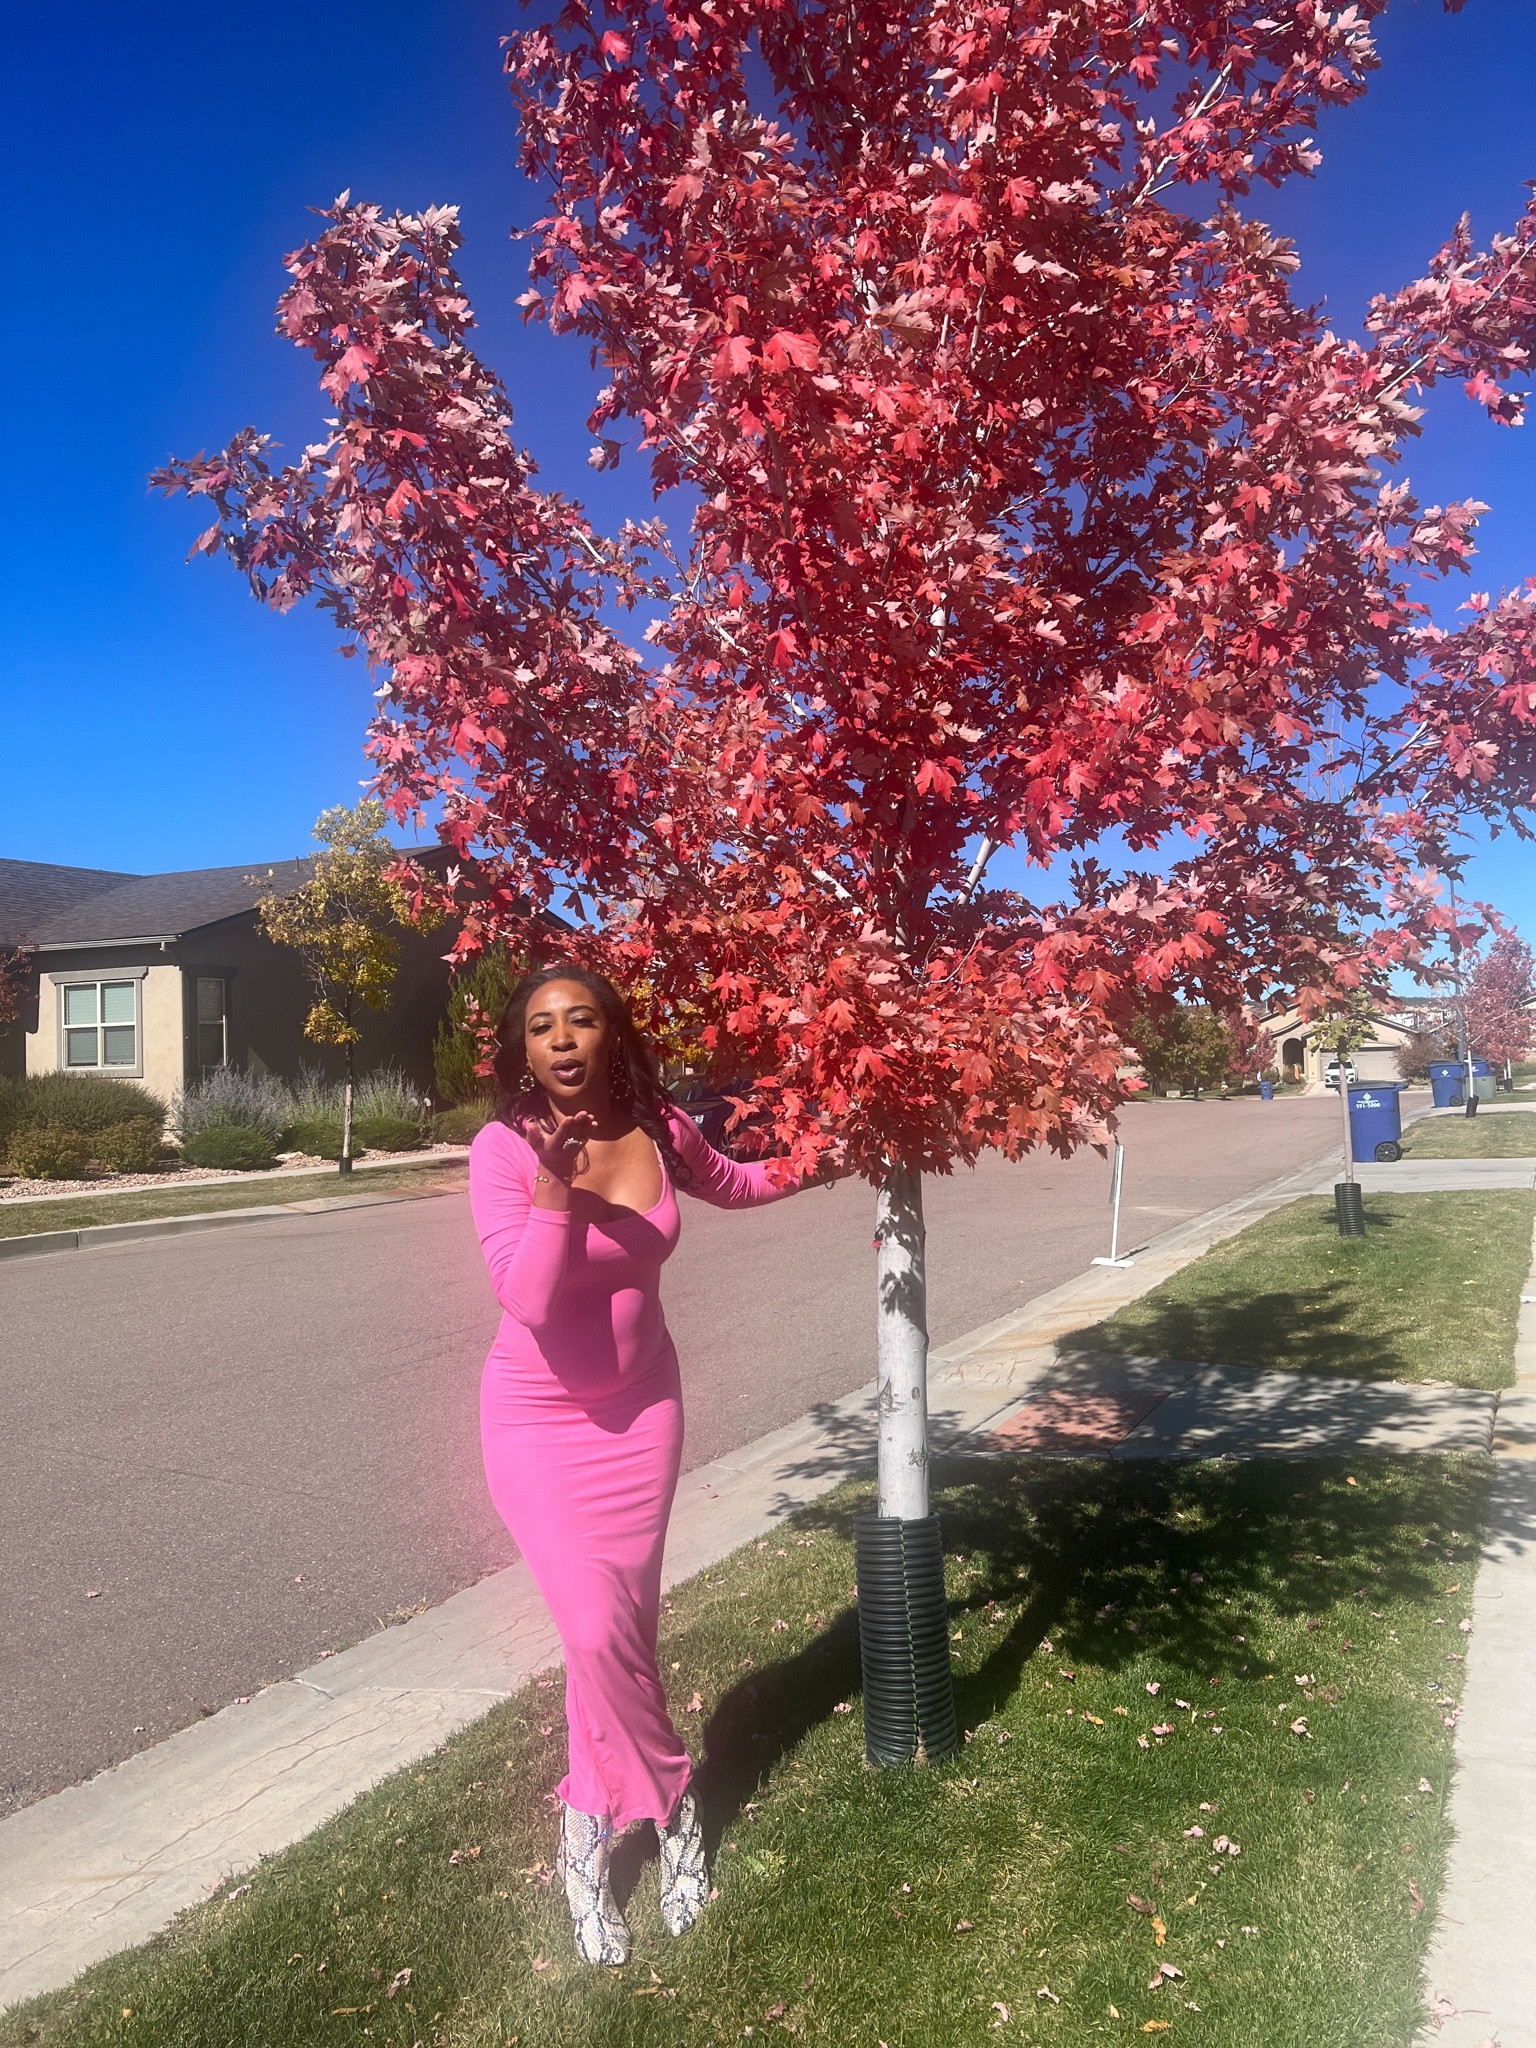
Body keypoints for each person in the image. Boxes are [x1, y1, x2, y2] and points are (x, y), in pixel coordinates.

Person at [468, 962, 821, 1964]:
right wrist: (552, 1188)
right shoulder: (501, 1150)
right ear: (522, 1049)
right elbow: (529, 1299)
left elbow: (739, 1182)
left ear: (612, 1032)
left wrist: (827, 1150)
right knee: (592, 1625)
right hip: (537, 1422)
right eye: (543, 1027)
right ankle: (677, 1807)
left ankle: (583, 1829)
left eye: (583, 1018)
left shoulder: (659, 1125)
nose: (566, 1038)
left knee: (615, 1639)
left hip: (642, 1414)